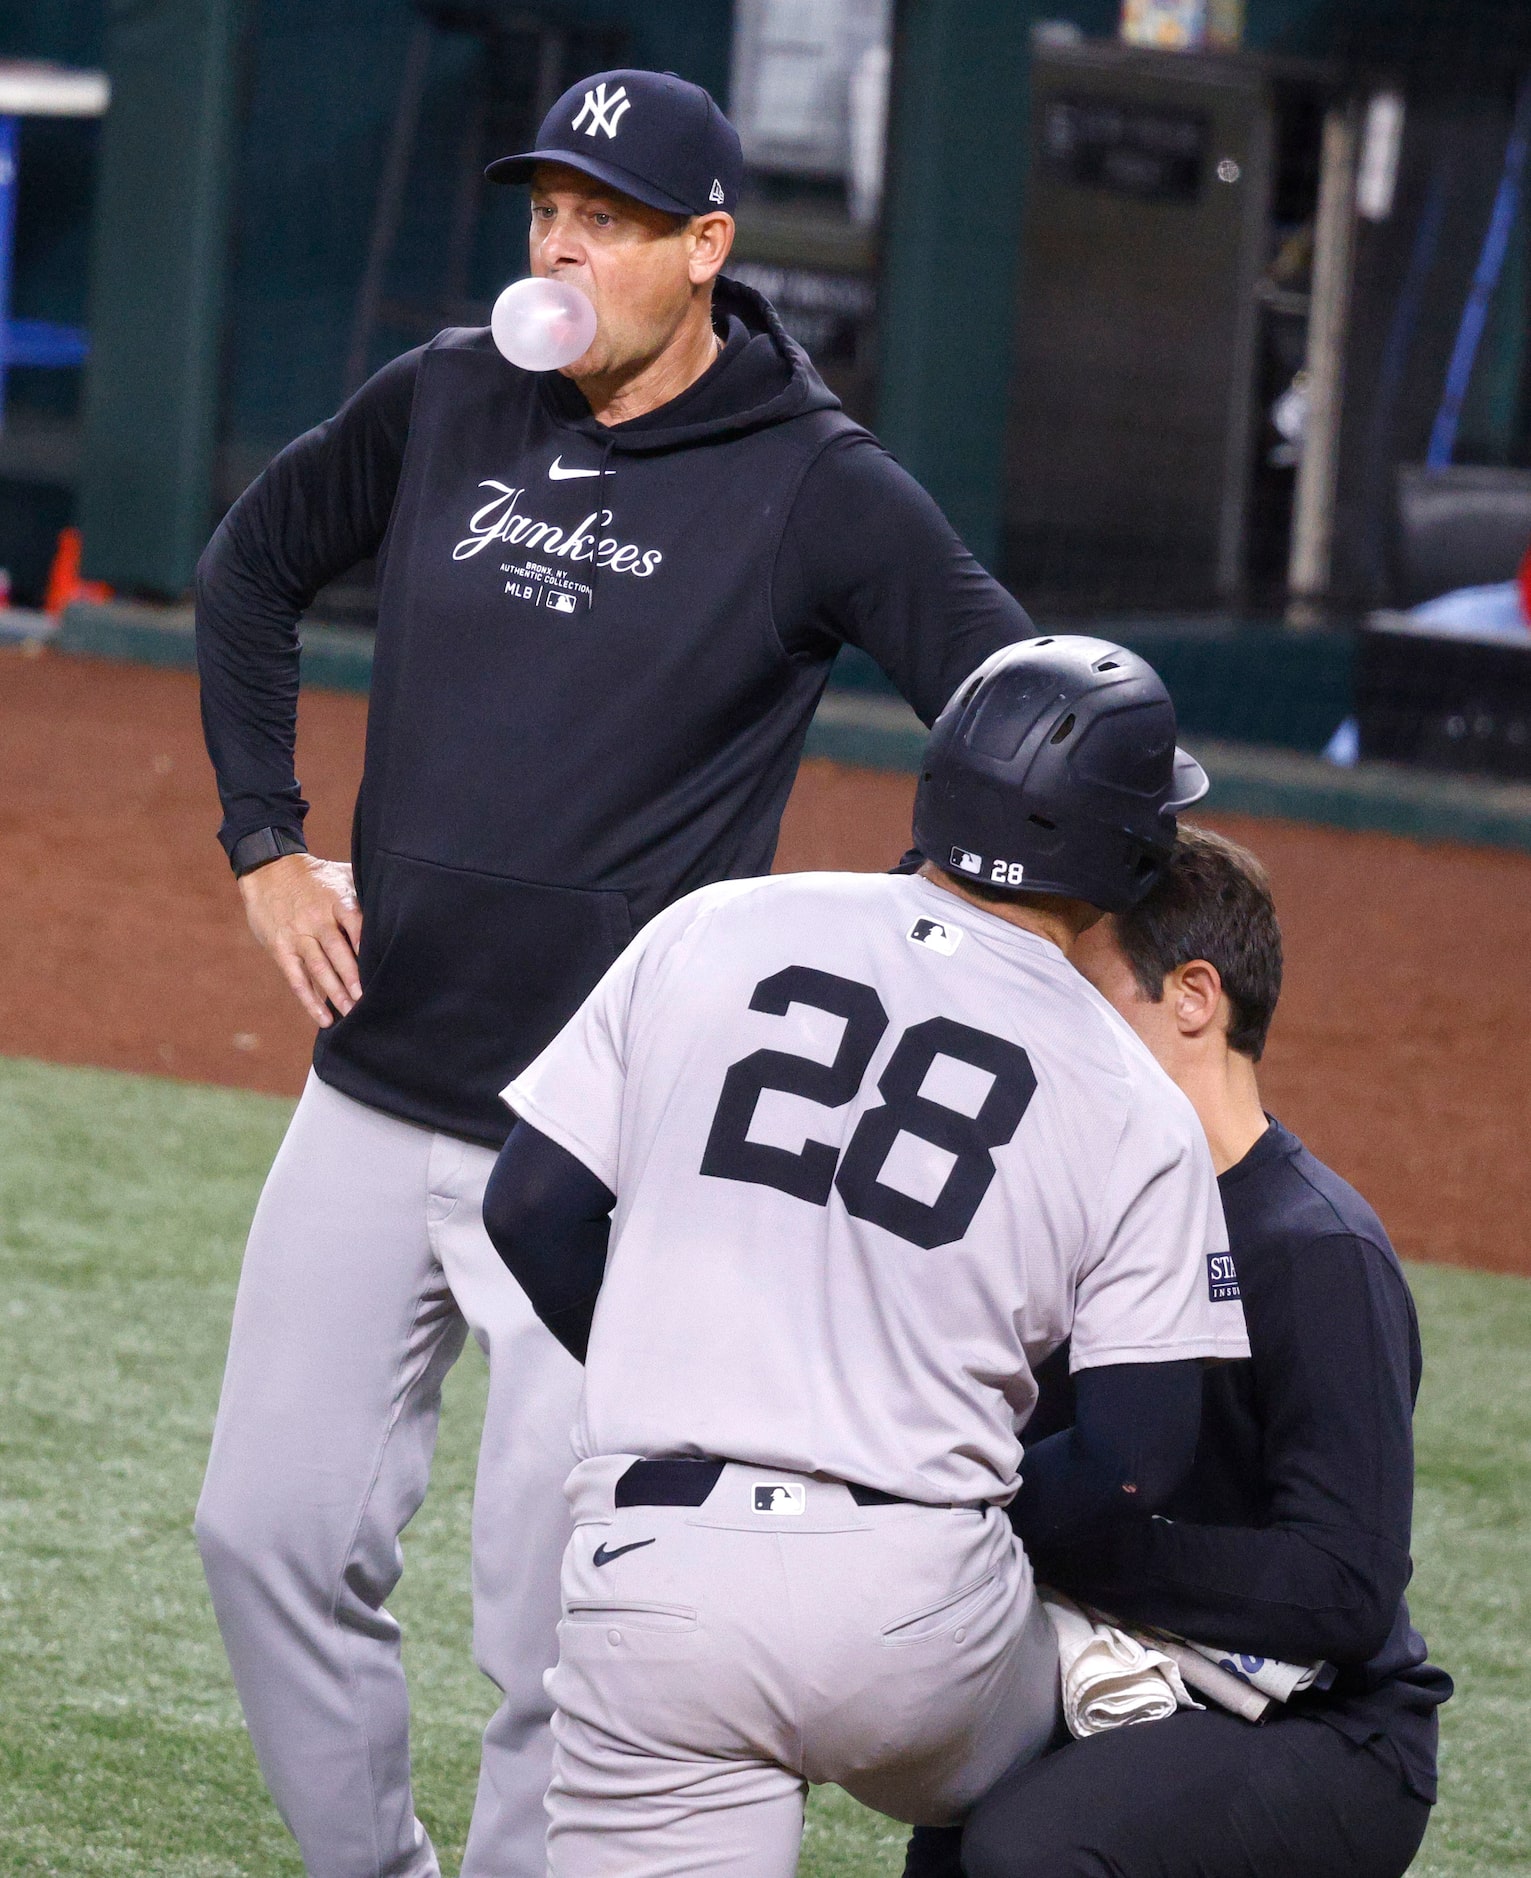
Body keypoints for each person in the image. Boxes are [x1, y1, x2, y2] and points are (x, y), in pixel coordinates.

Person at [191, 66, 1037, 1878]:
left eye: (608, 217)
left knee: (555, 1621)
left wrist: (896, 933)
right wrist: (266, 842)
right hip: (373, 1069)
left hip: (606, 1149)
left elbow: (1016, 707)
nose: (559, 244)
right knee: (260, 1527)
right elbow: (253, 563)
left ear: (706, 250)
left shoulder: (818, 486)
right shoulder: (446, 397)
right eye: (544, 209)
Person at [483, 638, 1250, 1878]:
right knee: (1103, 1735)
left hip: (656, 1577)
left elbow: (528, 1211)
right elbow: (1134, 1458)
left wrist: (677, 1361)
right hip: (918, 1614)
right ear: (1134, 853)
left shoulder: (720, 925)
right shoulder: (1134, 1100)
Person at [907, 825, 1452, 1878]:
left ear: (1194, 999)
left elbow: (1344, 1588)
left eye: (1085, 995)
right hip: (1134, 1663)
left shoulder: (1316, 1251)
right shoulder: (1077, 1208)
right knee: (948, 1824)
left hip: (1328, 1733)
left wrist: (1063, 1544)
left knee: (1028, 1850)